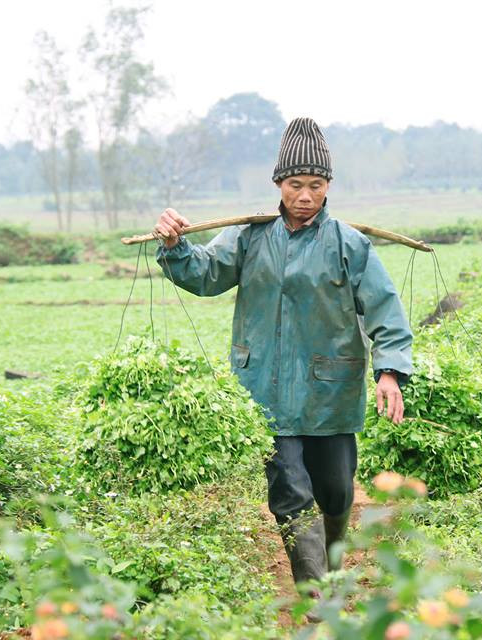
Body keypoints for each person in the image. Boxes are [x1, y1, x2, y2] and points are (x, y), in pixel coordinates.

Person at [154, 117, 413, 590]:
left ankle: (333, 565)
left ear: (329, 186)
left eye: (316, 185)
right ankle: (315, 595)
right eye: (296, 184)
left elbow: (384, 310)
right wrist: (175, 246)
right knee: (289, 493)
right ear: (279, 184)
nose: (306, 196)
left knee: (335, 491)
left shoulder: (349, 245)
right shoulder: (250, 237)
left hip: (330, 392)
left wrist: (390, 371)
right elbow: (206, 273)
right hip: (265, 391)